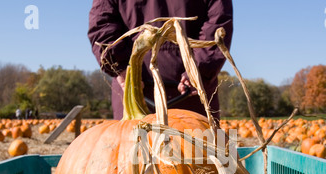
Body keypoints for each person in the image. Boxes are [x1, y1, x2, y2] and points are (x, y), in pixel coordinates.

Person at [88, 0, 233, 120]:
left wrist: (121, 68)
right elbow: (218, 26)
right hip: (186, 90)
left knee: (132, 150)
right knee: (197, 151)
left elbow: (102, 23)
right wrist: (199, 71)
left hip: (145, 89)